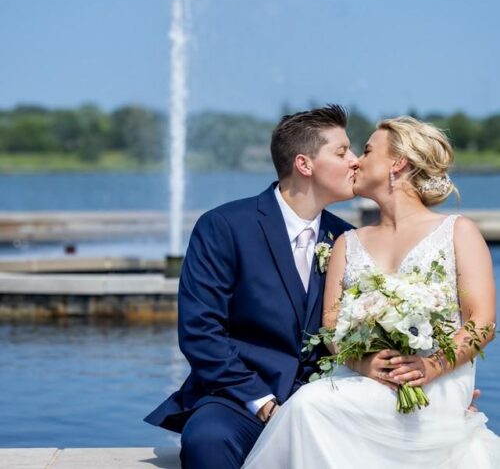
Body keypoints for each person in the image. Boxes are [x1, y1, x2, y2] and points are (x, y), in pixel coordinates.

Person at [243, 116, 499, 468]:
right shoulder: (347, 243)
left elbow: (482, 322)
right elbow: (331, 326)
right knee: (307, 404)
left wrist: (432, 366)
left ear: (398, 163)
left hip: (437, 381)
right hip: (360, 377)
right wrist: (361, 362)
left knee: (309, 406)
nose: (356, 161)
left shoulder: (458, 232)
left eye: (366, 150)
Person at [144, 105, 361, 468]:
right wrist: (259, 399)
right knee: (208, 440)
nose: (355, 161)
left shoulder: (348, 238)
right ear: (304, 165)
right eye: (342, 152)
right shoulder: (224, 227)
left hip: (326, 398)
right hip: (237, 399)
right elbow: (201, 331)